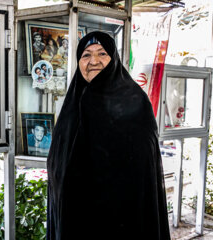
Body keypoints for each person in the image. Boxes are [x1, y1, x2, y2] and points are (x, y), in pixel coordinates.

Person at [47, 31, 170, 239]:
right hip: (75, 212)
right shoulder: (73, 103)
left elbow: (143, 164)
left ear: (114, 59)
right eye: (86, 55)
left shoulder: (135, 101)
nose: (93, 61)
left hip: (121, 215)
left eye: (102, 53)